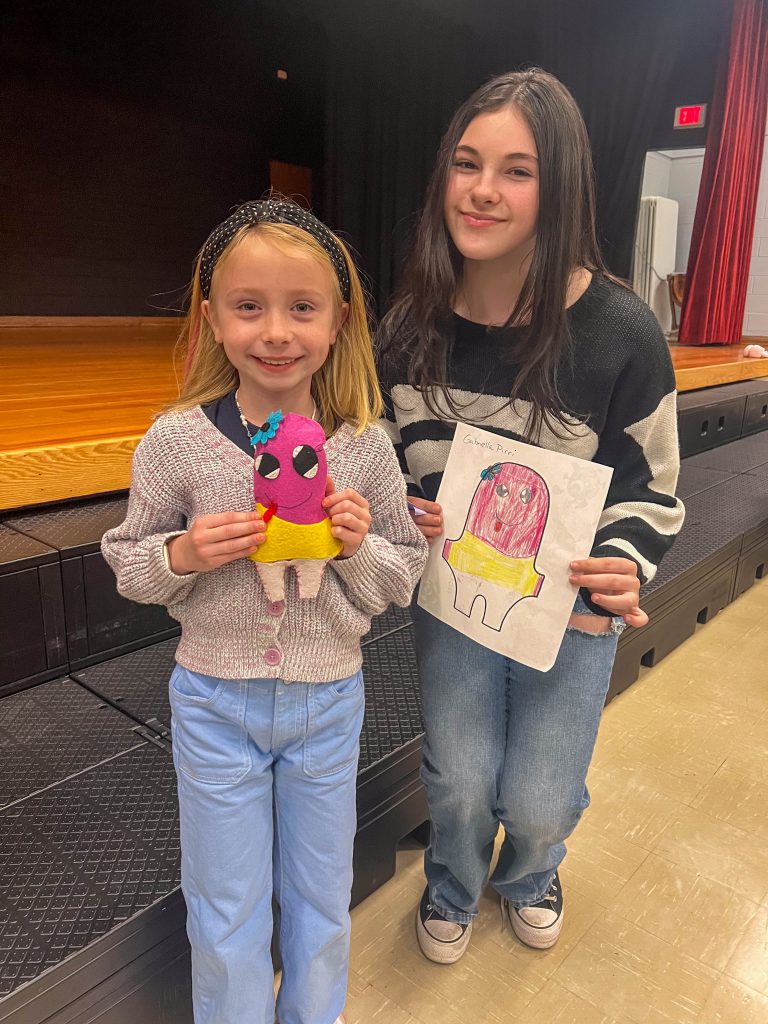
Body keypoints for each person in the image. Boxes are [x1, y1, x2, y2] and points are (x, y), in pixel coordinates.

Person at [377, 69, 685, 962]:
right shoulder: (407, 331)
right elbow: (389, 465)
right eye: (467, 164)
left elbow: (654, 482)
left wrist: (624, 561)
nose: (482, 189)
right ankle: (453, 883)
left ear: (561, 189)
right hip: (456, 608)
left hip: (571, 618)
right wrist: (401, 509)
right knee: (462, 780)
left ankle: (531, 872)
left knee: (542, 798)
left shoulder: (621, 332)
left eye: (517, 170)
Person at [102, 199, 427, 1024]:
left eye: (302, 307)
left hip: (328, 705)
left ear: (338, 320)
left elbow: (405, 575)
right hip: (214, 706)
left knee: (320, 905)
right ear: (211, 319)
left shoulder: (363, 446)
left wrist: (357, 546)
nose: (275, 331)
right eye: (248, 307)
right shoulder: (175, 442)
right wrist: (183, 555)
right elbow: (128, 561)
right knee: (225, 914)